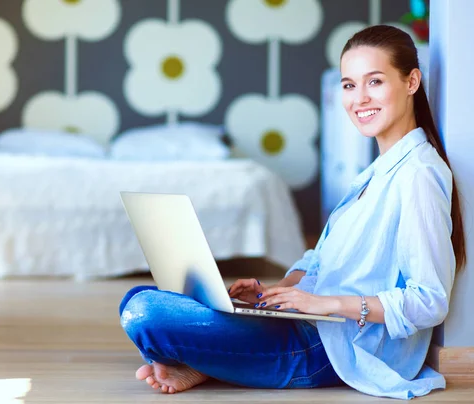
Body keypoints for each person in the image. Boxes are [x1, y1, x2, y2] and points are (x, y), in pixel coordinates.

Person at [118, 24, 466, 399]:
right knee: (134, 296)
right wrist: (277, 294)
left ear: (412, 81)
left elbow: (429, 300)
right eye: (349, 85)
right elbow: (322, 260)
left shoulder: (419, 176)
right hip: (312, 325)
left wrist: (325, 304)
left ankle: (204, 362)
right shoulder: (377, 172)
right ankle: (210, 361)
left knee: (145, 312)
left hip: (337, 350)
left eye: (375, 82)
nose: (359, 98)